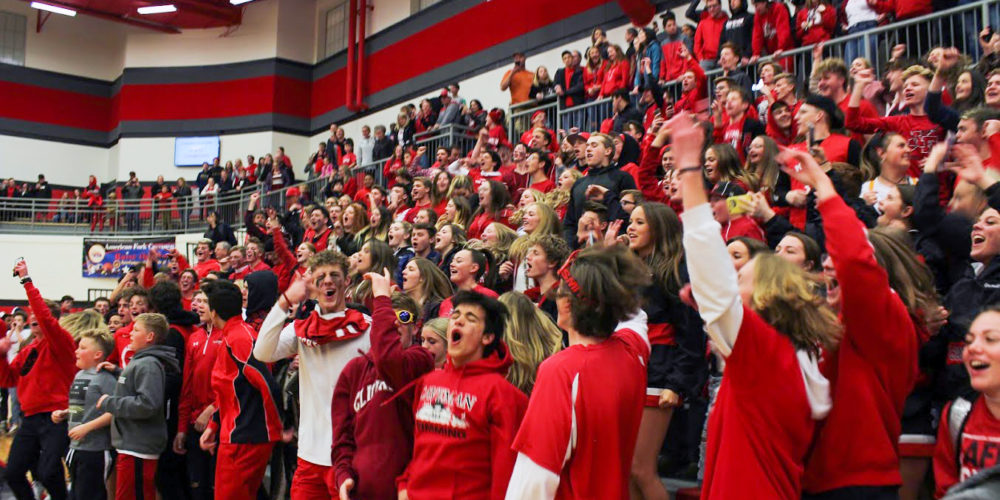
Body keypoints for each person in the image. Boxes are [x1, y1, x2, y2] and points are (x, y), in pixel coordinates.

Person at [674, 113, 840, 497]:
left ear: (766, 294)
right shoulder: (799, 353)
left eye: (741, 280)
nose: (734, 286)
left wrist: (688, 168)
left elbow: (710, 270)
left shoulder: (762, 350)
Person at [505, 245, 651, 498]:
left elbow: (536, 477)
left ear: (567, 307)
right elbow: (636, 317)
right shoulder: (633, 351)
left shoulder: (561, 370)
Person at [254, 251, 373, 498]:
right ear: (313, 287)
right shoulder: (301, 329)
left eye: (334, 275)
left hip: (353, 454)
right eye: (321, 277)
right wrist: (285, 301)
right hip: (309, 454)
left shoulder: (368, 326)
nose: (328, 281)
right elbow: (262, 352)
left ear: (347, 281)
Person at [398, 291, 528, 499]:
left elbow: (506, 476)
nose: (458, 322)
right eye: (455, 316)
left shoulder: (504, 396)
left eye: (470, 319)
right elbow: (420, 448)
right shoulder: (428, 381)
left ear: (488, 337)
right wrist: (404, 484)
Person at [332, 274, 434, 500]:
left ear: (416, 328)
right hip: (360, 491)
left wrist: (381, 299)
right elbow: (342, 438)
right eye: (389, 316)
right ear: (377, 323)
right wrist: (343, 474)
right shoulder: (354, 370)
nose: (395, 321)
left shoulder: (420, 360)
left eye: (403, 316)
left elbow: (388, 359)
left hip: (408, 491)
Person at [0, 259, 78, 500]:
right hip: (30, 419)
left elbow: (45, 317)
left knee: (47, 472)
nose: (34, 317)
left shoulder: (61, 342)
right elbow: (8, 379)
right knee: (13, 473)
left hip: (55, 417)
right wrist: (2, 354)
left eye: (38, 314)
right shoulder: (27, 351)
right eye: (32, 314)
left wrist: (26, 281)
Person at [198, 280, 282, 499]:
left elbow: (267, 383)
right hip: (237, 434)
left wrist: (282, 425)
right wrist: (213, 425)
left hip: (245, 437)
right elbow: (228, 393)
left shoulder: (240, 337)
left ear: (214, 312)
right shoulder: (234, 334)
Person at [98, 313, 178, 500]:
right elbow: (135, 385)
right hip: (132, 443)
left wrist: (111, 402)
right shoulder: (142, 361)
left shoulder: (148, 364)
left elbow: (147, 404)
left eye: (136, 330)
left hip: (138, 446)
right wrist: (118, 372)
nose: (130, 334)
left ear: (150, 337)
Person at [933, 306, 1000, 496]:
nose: (972, 348)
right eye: (969, 340)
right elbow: (946, 491)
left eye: (990, 339)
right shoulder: (958, 414)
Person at [51, 328, 117, 500]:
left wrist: (87, 427)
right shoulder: (80, 375)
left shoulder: (106, 379)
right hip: (75, 447)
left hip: (96, 450)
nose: (76, 351)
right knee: (76, 494)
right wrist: (65, 413)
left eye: (82, 348)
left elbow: (114, 412)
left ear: (97, 355)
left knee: (90, 494)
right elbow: (80, 407)